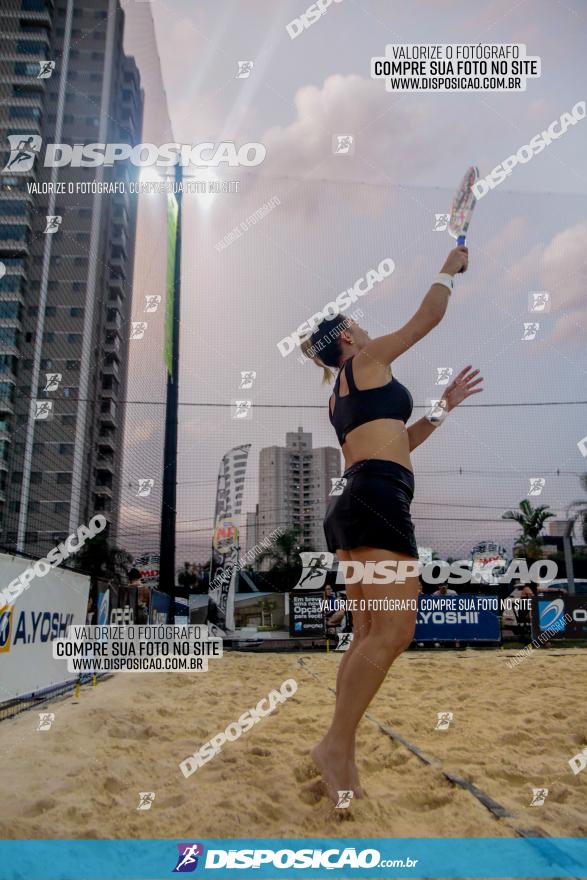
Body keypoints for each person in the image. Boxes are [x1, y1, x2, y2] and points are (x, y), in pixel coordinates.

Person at [301, 245, 483, 801]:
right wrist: (447, 270)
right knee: (396, 631)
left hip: (358, 501)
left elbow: (400, 442)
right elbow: (426, 318)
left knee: (367, 634)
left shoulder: (341, 393)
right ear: (349, 338)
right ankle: (335, 744)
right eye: (356, 322)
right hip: (378, 499)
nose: (363, 325)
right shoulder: (366, 360)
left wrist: (443, 407)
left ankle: (339, 750)